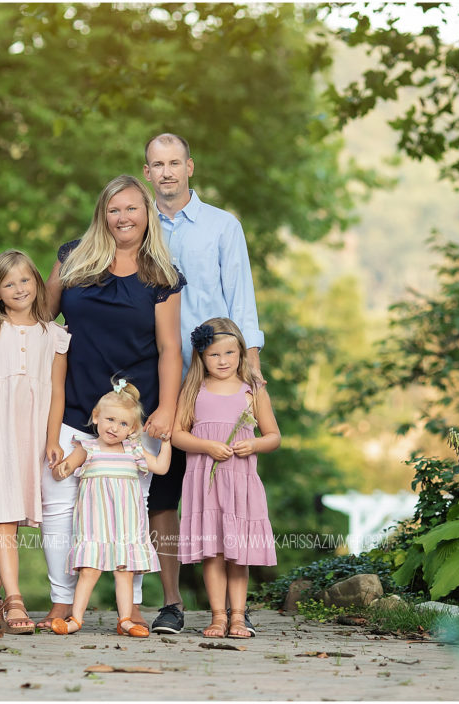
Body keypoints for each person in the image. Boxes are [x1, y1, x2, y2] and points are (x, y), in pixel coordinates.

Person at [38, 174, 185, 631]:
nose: (123, 217)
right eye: (114, 209)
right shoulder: (73, 257)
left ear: (148, 215)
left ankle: (132, 607)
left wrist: (167, 411)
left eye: (132, 208)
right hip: (73, 400)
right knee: (59, 507)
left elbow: (170, 350)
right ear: (103, 214)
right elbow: (41, 317)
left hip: (133, 416)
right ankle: (62, 603)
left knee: (130, 513)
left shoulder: (163, 276)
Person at [142, 132, 265, 635]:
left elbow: (242, 298)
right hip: (156, 367)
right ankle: (172, 602)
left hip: (216, 366)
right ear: (146, 172)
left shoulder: (221, 226)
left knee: (232, 479)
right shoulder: (135, 223)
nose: (166, 171)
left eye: (174, 162)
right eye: (157, 164)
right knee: (164, 488)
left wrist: (250, 370)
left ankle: (235, 607)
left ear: (190, 167)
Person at [0, 249, 70, 635]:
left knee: (10, 516)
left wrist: (53, 437)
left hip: (33, 432)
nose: (19, 288)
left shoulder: (54, 335)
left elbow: (57, 392)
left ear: (38, 283)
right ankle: (15, 598)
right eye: (9, 283)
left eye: (25, 279)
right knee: (3, 514)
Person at [173, 318, 279, 638]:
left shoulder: (253, 390)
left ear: (241, 353)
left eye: (230, 353)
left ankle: (238, 616)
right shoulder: (194, 389)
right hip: (205, 484)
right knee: (213, 551)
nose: (223, 361)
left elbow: (273, 436)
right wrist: (205, 446)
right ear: (202, 357)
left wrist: (255, 444)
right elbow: (178, 435)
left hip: (239, 483)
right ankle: (218, 616)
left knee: (237, 551)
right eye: (214, 355)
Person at [49, 381, 172, 637]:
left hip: (126, 527)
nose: (114, 427)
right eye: (109, 419)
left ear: (133, 429)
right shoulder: (88, 449)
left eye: (124, 424)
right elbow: (65, 470)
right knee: (89, 571)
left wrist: (166, 442)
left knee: (124, 573)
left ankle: (125, 619)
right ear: (96, 417)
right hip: (95, 527)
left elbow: (161, 467)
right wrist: (61, 467)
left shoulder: (134, 450)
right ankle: (75, 619)